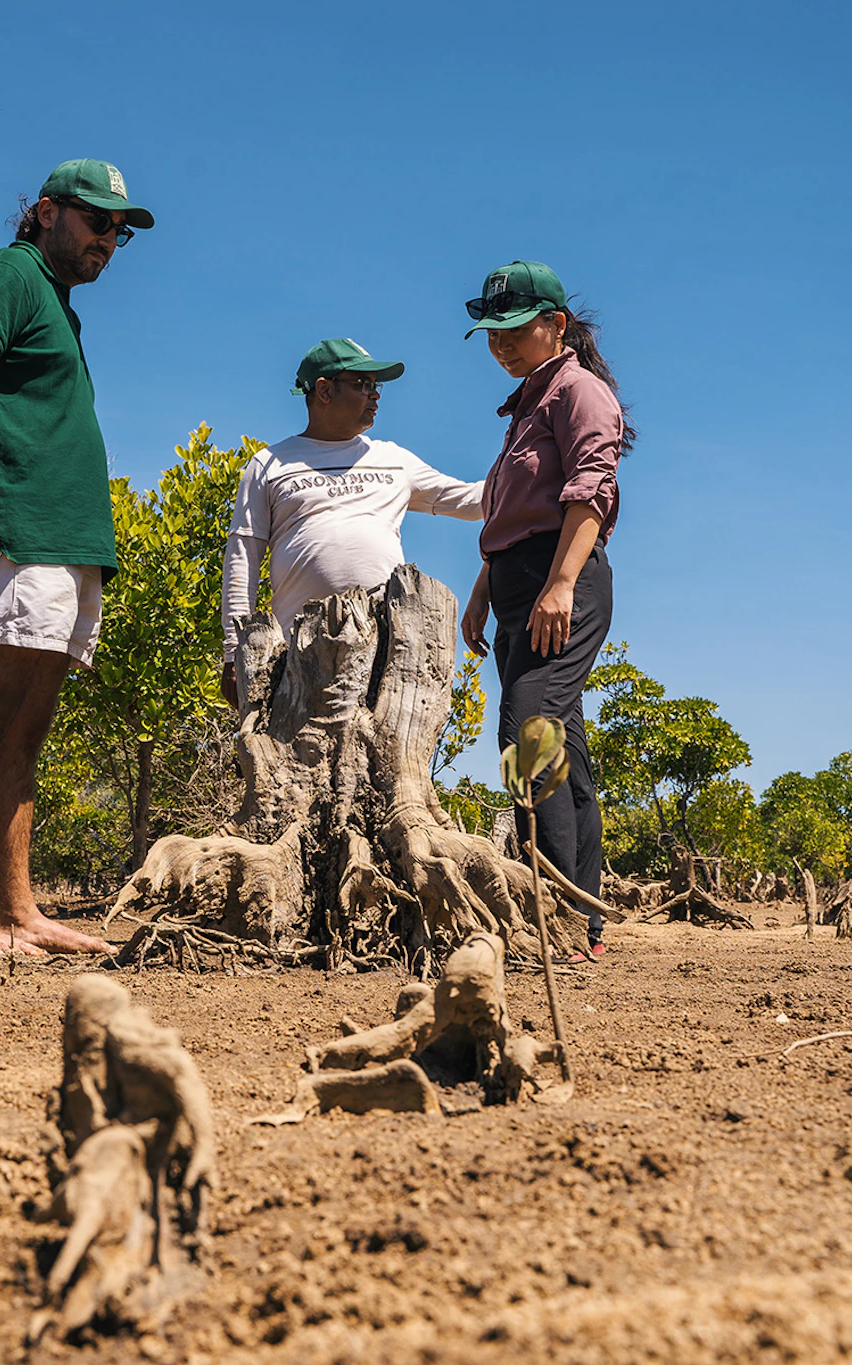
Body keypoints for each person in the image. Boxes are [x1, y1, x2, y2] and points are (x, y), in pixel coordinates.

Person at [0, 158, 154, 955]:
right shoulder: (5, 273)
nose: (109, 239)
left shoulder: (59, 307)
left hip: (65, 543)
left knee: (26, 729)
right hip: (13, 529)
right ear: (46, 212)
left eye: (120, 229)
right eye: (95, 220)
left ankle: (17, 910)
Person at [456, 262, 632, 961]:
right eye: (491, 332)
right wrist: (481, 590)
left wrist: (560, 584)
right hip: (516, 583)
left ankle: (551, 914)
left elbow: (592, 492)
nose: (500, 344)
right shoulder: (526, 407)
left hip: (564, 579)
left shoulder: (578, 391)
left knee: (526, 732)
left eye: (514, 329)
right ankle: (586, 922)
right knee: (566, 753)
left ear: (555, 325)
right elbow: (509, 515)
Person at [219, 339, 484, 702]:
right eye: (362, 384)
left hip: (385, 651)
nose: (375, 395)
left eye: (376, 386)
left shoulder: (393, 459)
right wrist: (235, 653)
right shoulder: (269, 464)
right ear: (324, 390)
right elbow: (242, 558)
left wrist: (536, 469)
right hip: (298, 654)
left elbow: (473, 501)